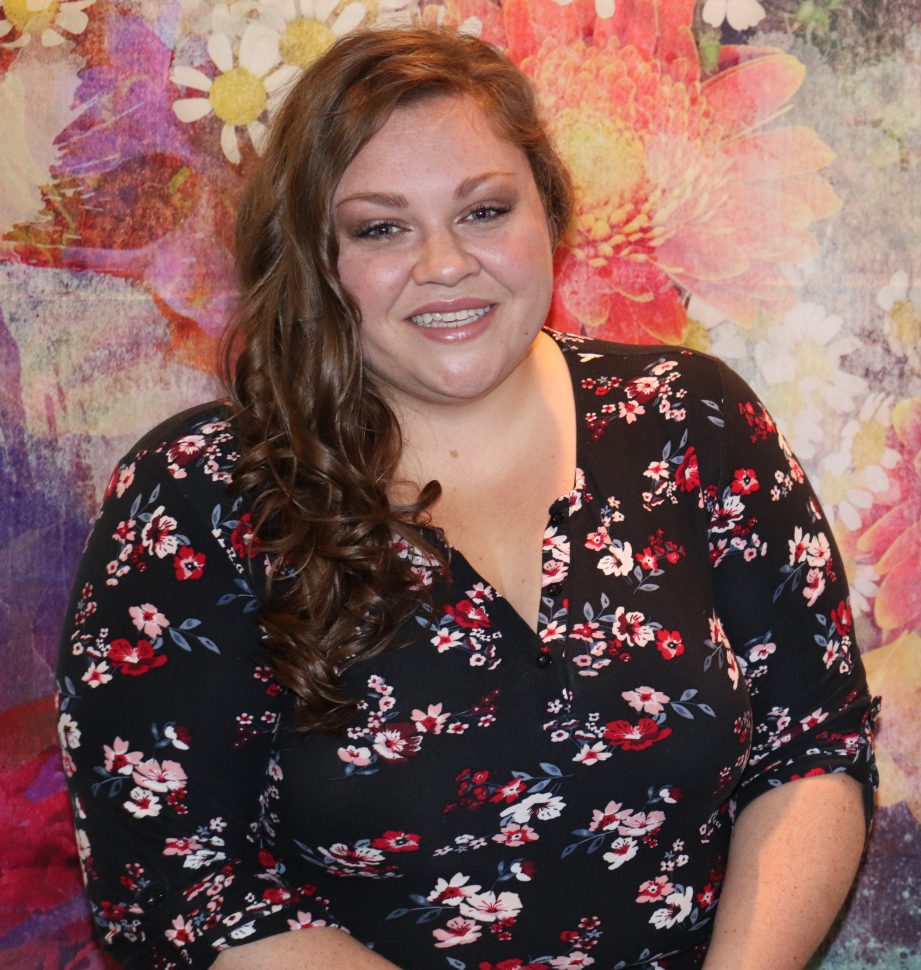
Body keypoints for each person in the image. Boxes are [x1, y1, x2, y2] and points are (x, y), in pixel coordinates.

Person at [57, 25, 878, 970]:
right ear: (317, 260)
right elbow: (181, 882)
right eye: (380, 227)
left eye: (484, 211)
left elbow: (809, 744)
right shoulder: (201, 496)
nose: (444, 263)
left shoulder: (689, 420)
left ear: (549, 211)